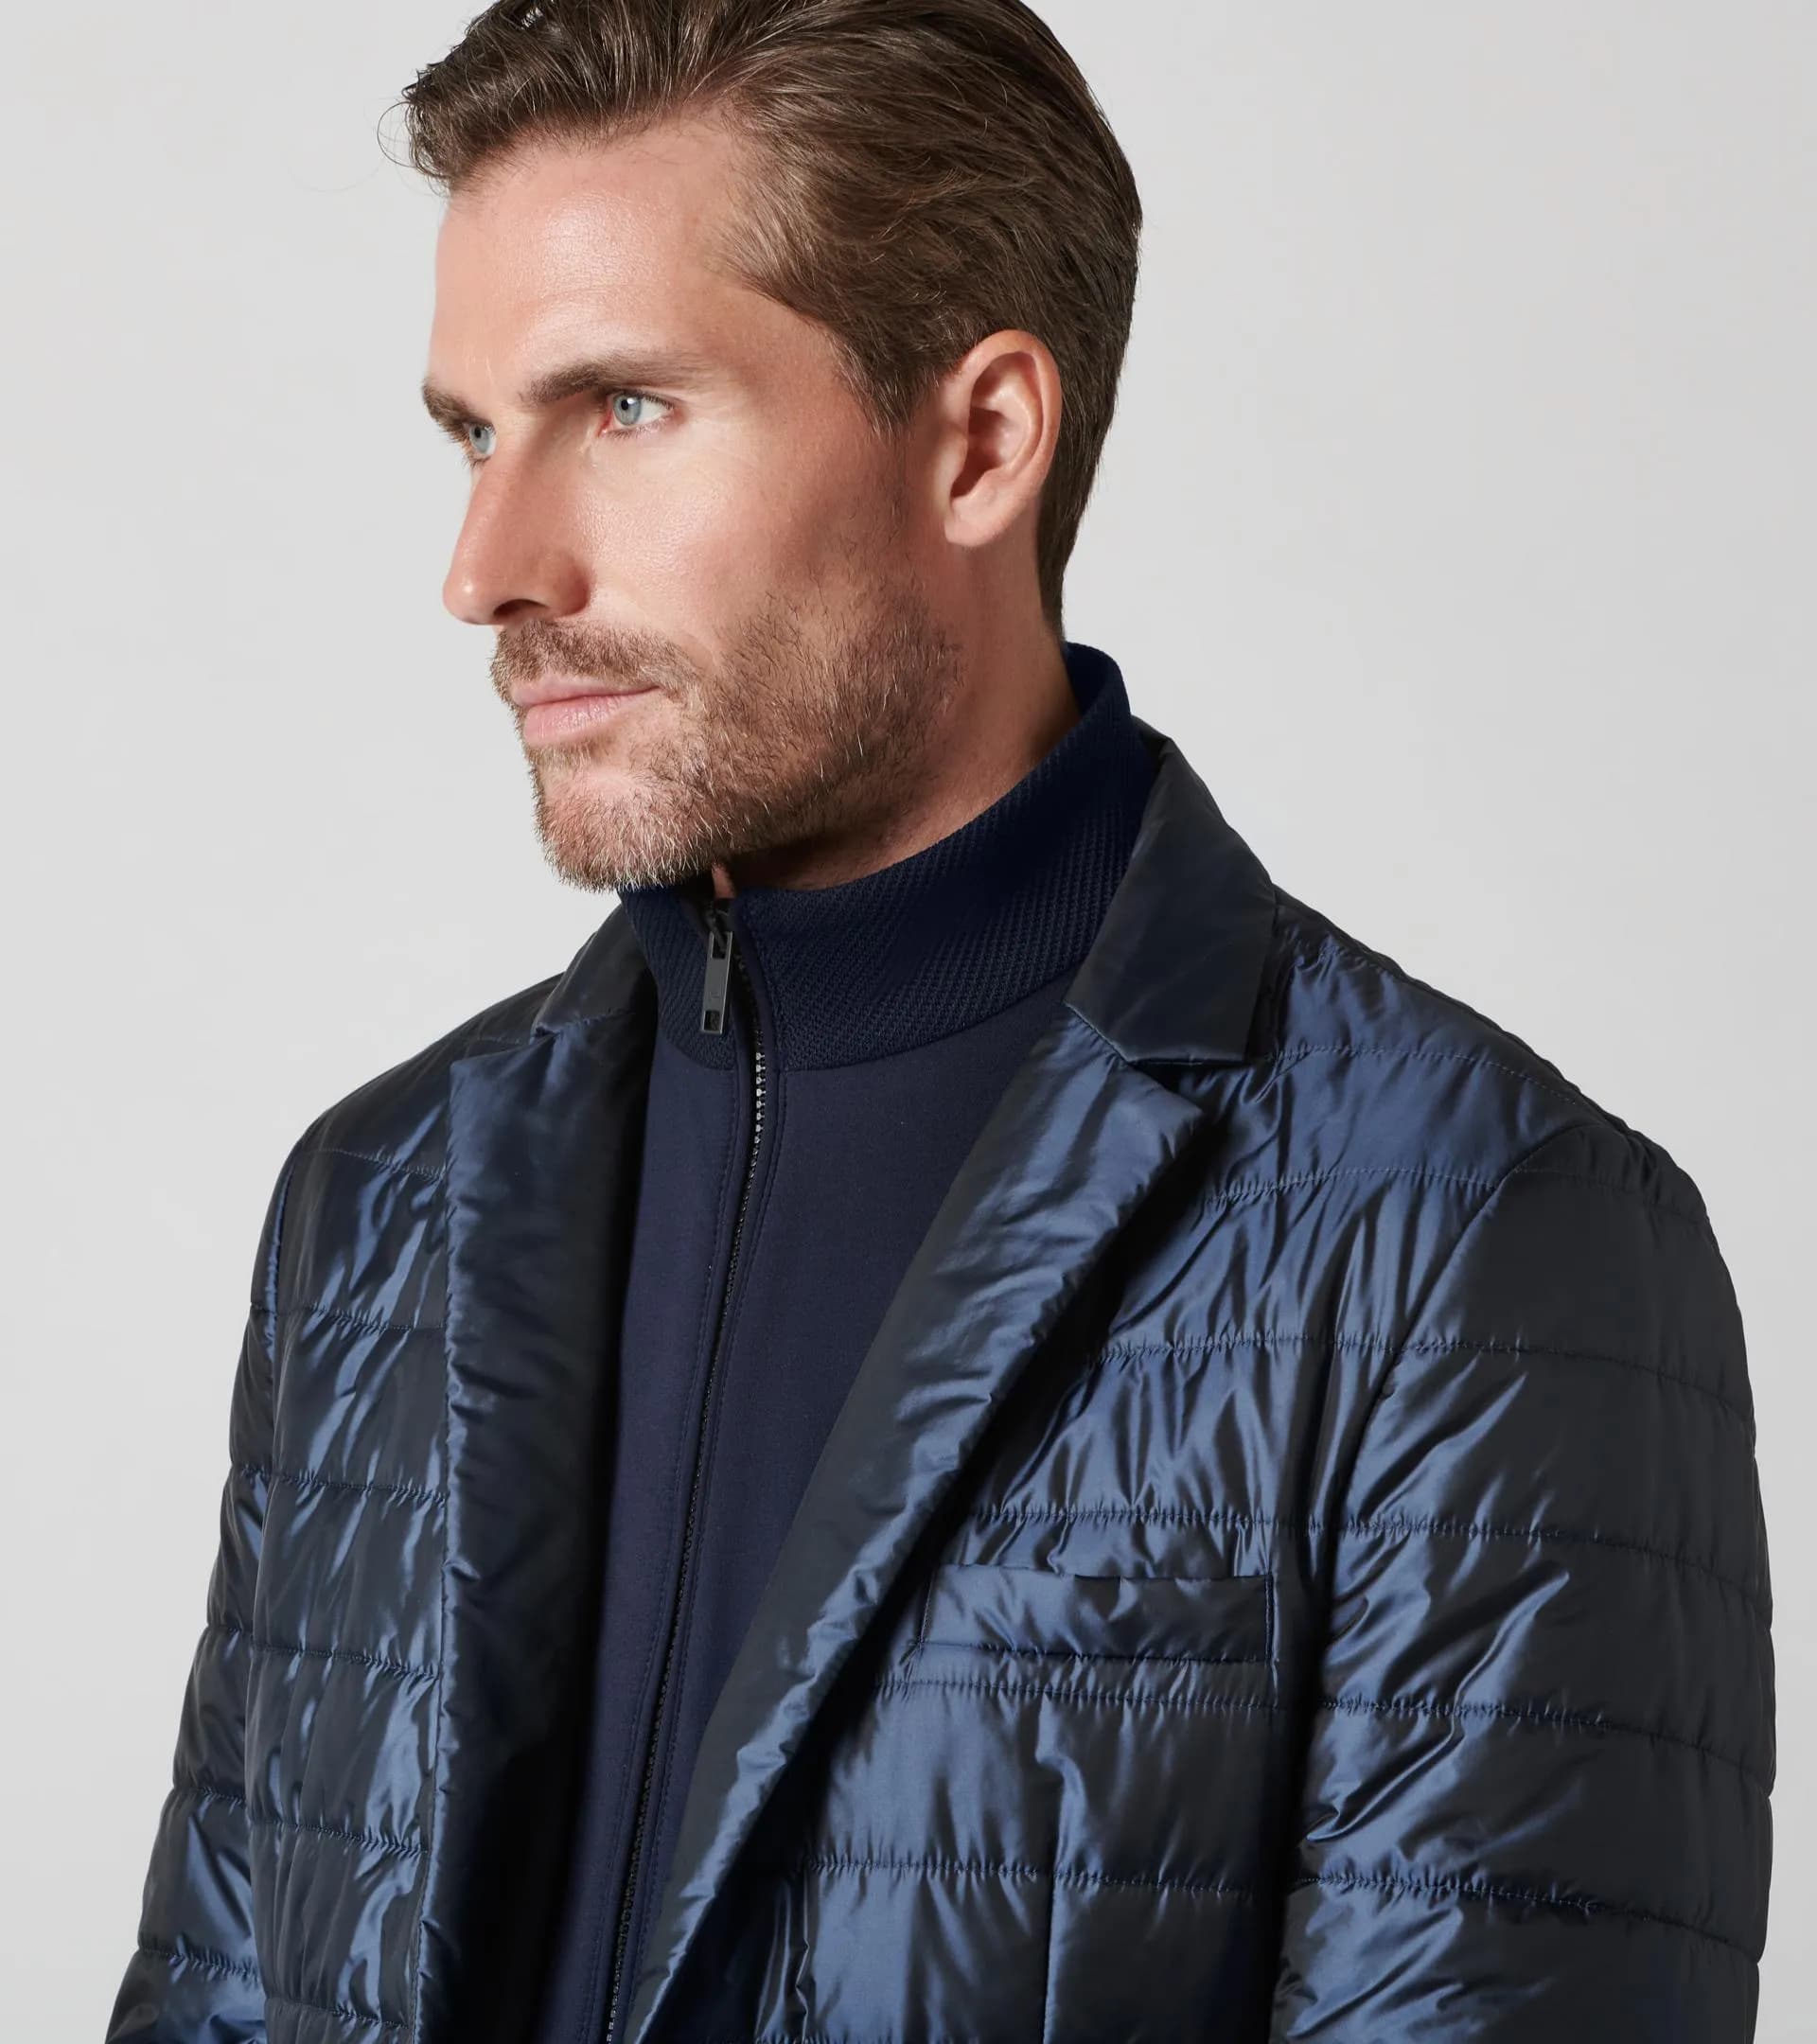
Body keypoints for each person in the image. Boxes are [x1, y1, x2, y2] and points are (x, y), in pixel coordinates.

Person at [106, 2, 1773, 2038]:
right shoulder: (375, 1207)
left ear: (981, 440)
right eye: (475, 432)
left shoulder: (1478, 1243)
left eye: (624, 408)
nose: (488, 567)